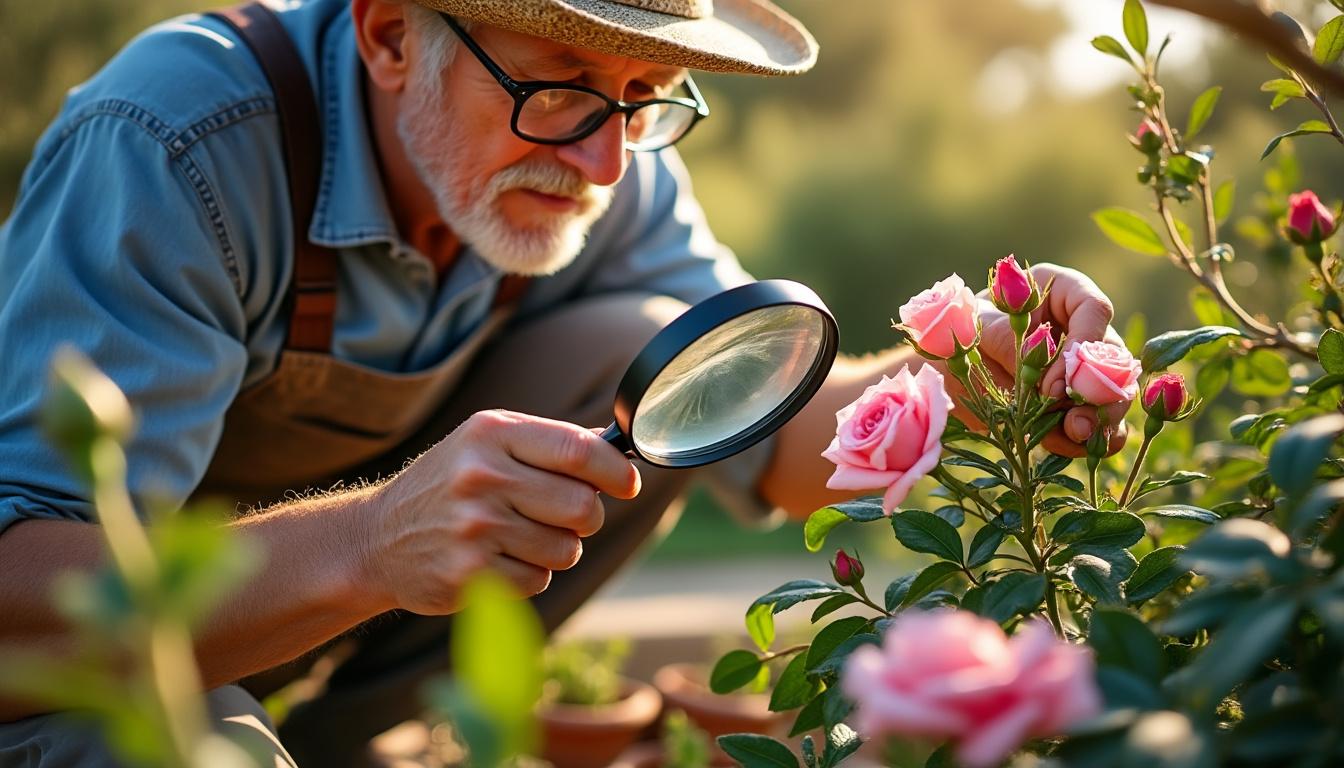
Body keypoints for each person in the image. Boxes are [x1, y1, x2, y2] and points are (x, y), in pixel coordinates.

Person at [0, 0, 1128, 764]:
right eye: (558, 85)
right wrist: (371, 540)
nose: (603, 160)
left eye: (648, 93)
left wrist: (967, 385)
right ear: (391, 34)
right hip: (90, 658)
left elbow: (772, 431)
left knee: (656, 352)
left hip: (297, 626)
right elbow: (16, 604)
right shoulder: (178, 142)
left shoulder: (607, 161)